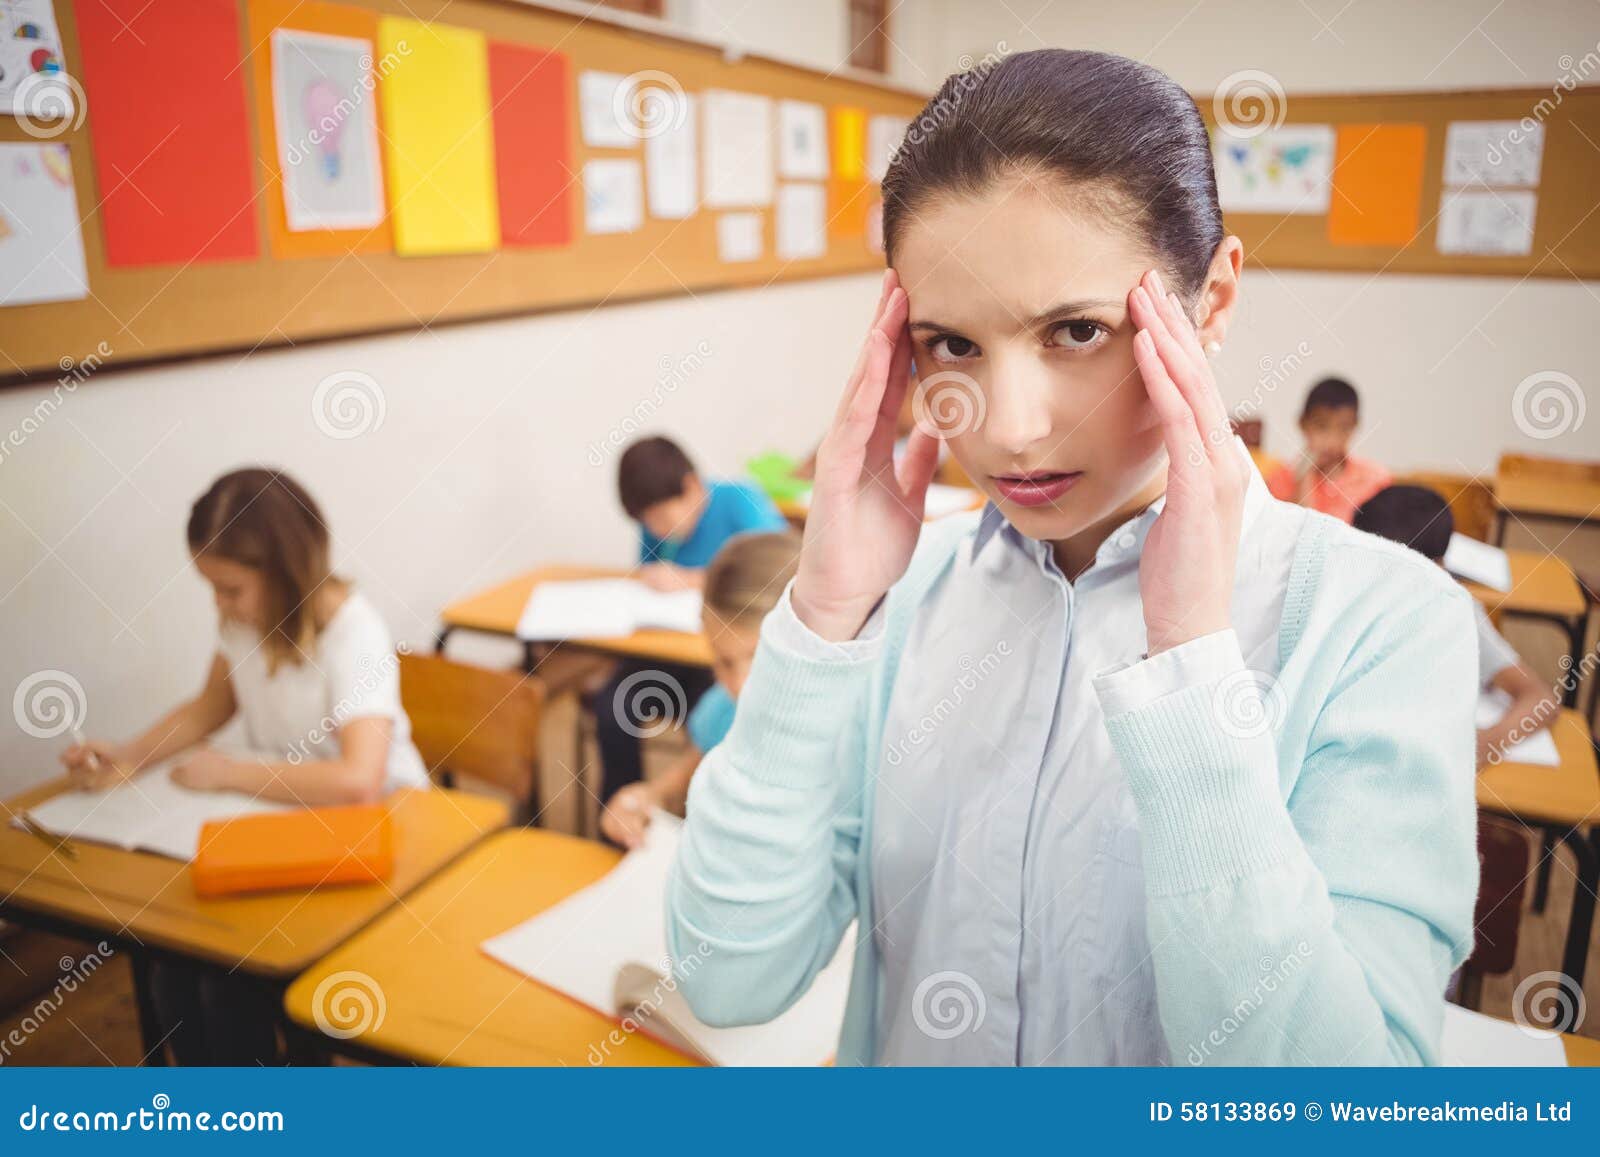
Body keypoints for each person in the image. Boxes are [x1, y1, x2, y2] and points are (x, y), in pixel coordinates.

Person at [665, 49, 1476, 1067]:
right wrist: (821, 615)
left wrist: (1189, 672)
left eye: (1077, 330)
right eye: (949, 343)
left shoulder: (1383, 623)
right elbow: (725, 973)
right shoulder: (899, 594)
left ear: (1213, 300)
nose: (1007, 430)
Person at [61, 467, 427, 1064]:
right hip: (286, 821)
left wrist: (229, 773)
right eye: (212, 588)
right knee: (175, 969)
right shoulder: (246, 620)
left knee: (226, 987)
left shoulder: (353, 634)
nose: (220, 605)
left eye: (230, 589)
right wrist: (125, 756)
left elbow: (359, 781)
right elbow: (212, 704)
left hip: (380, 835)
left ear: (285, 573)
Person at [599, 437, 787, 802]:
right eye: (646, 522)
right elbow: (649, 576)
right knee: (612, 707)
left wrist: (690, 580)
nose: (656, 530)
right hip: (667, 652)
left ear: (691, 486)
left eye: (662, 517)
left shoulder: (738, 500)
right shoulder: (654, 530)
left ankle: (701, 810)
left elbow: (778, 571)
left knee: (715, 718)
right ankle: (624, 817)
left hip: (716, 660)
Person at [600, 530, 801, 848]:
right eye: (723, 662)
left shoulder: (844, 730)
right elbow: (680, 782)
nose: (739, 684)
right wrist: (644, 799)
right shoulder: (723, 707)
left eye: (759, 657)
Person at [1353, 484, 1554, 766]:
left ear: (1438, 567)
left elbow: (1539, 697)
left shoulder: (1458, 611)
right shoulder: (1350, 600)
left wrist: (1490, 741)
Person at [1266, 377, 1392, 523]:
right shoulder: (1279, 480)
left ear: (1355, 426)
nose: (1331, 440)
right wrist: (1304, 479)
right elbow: (1293, 534)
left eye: (1344, 428)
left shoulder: (1375, 479)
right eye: (1321, 426)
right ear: (1302, 423)